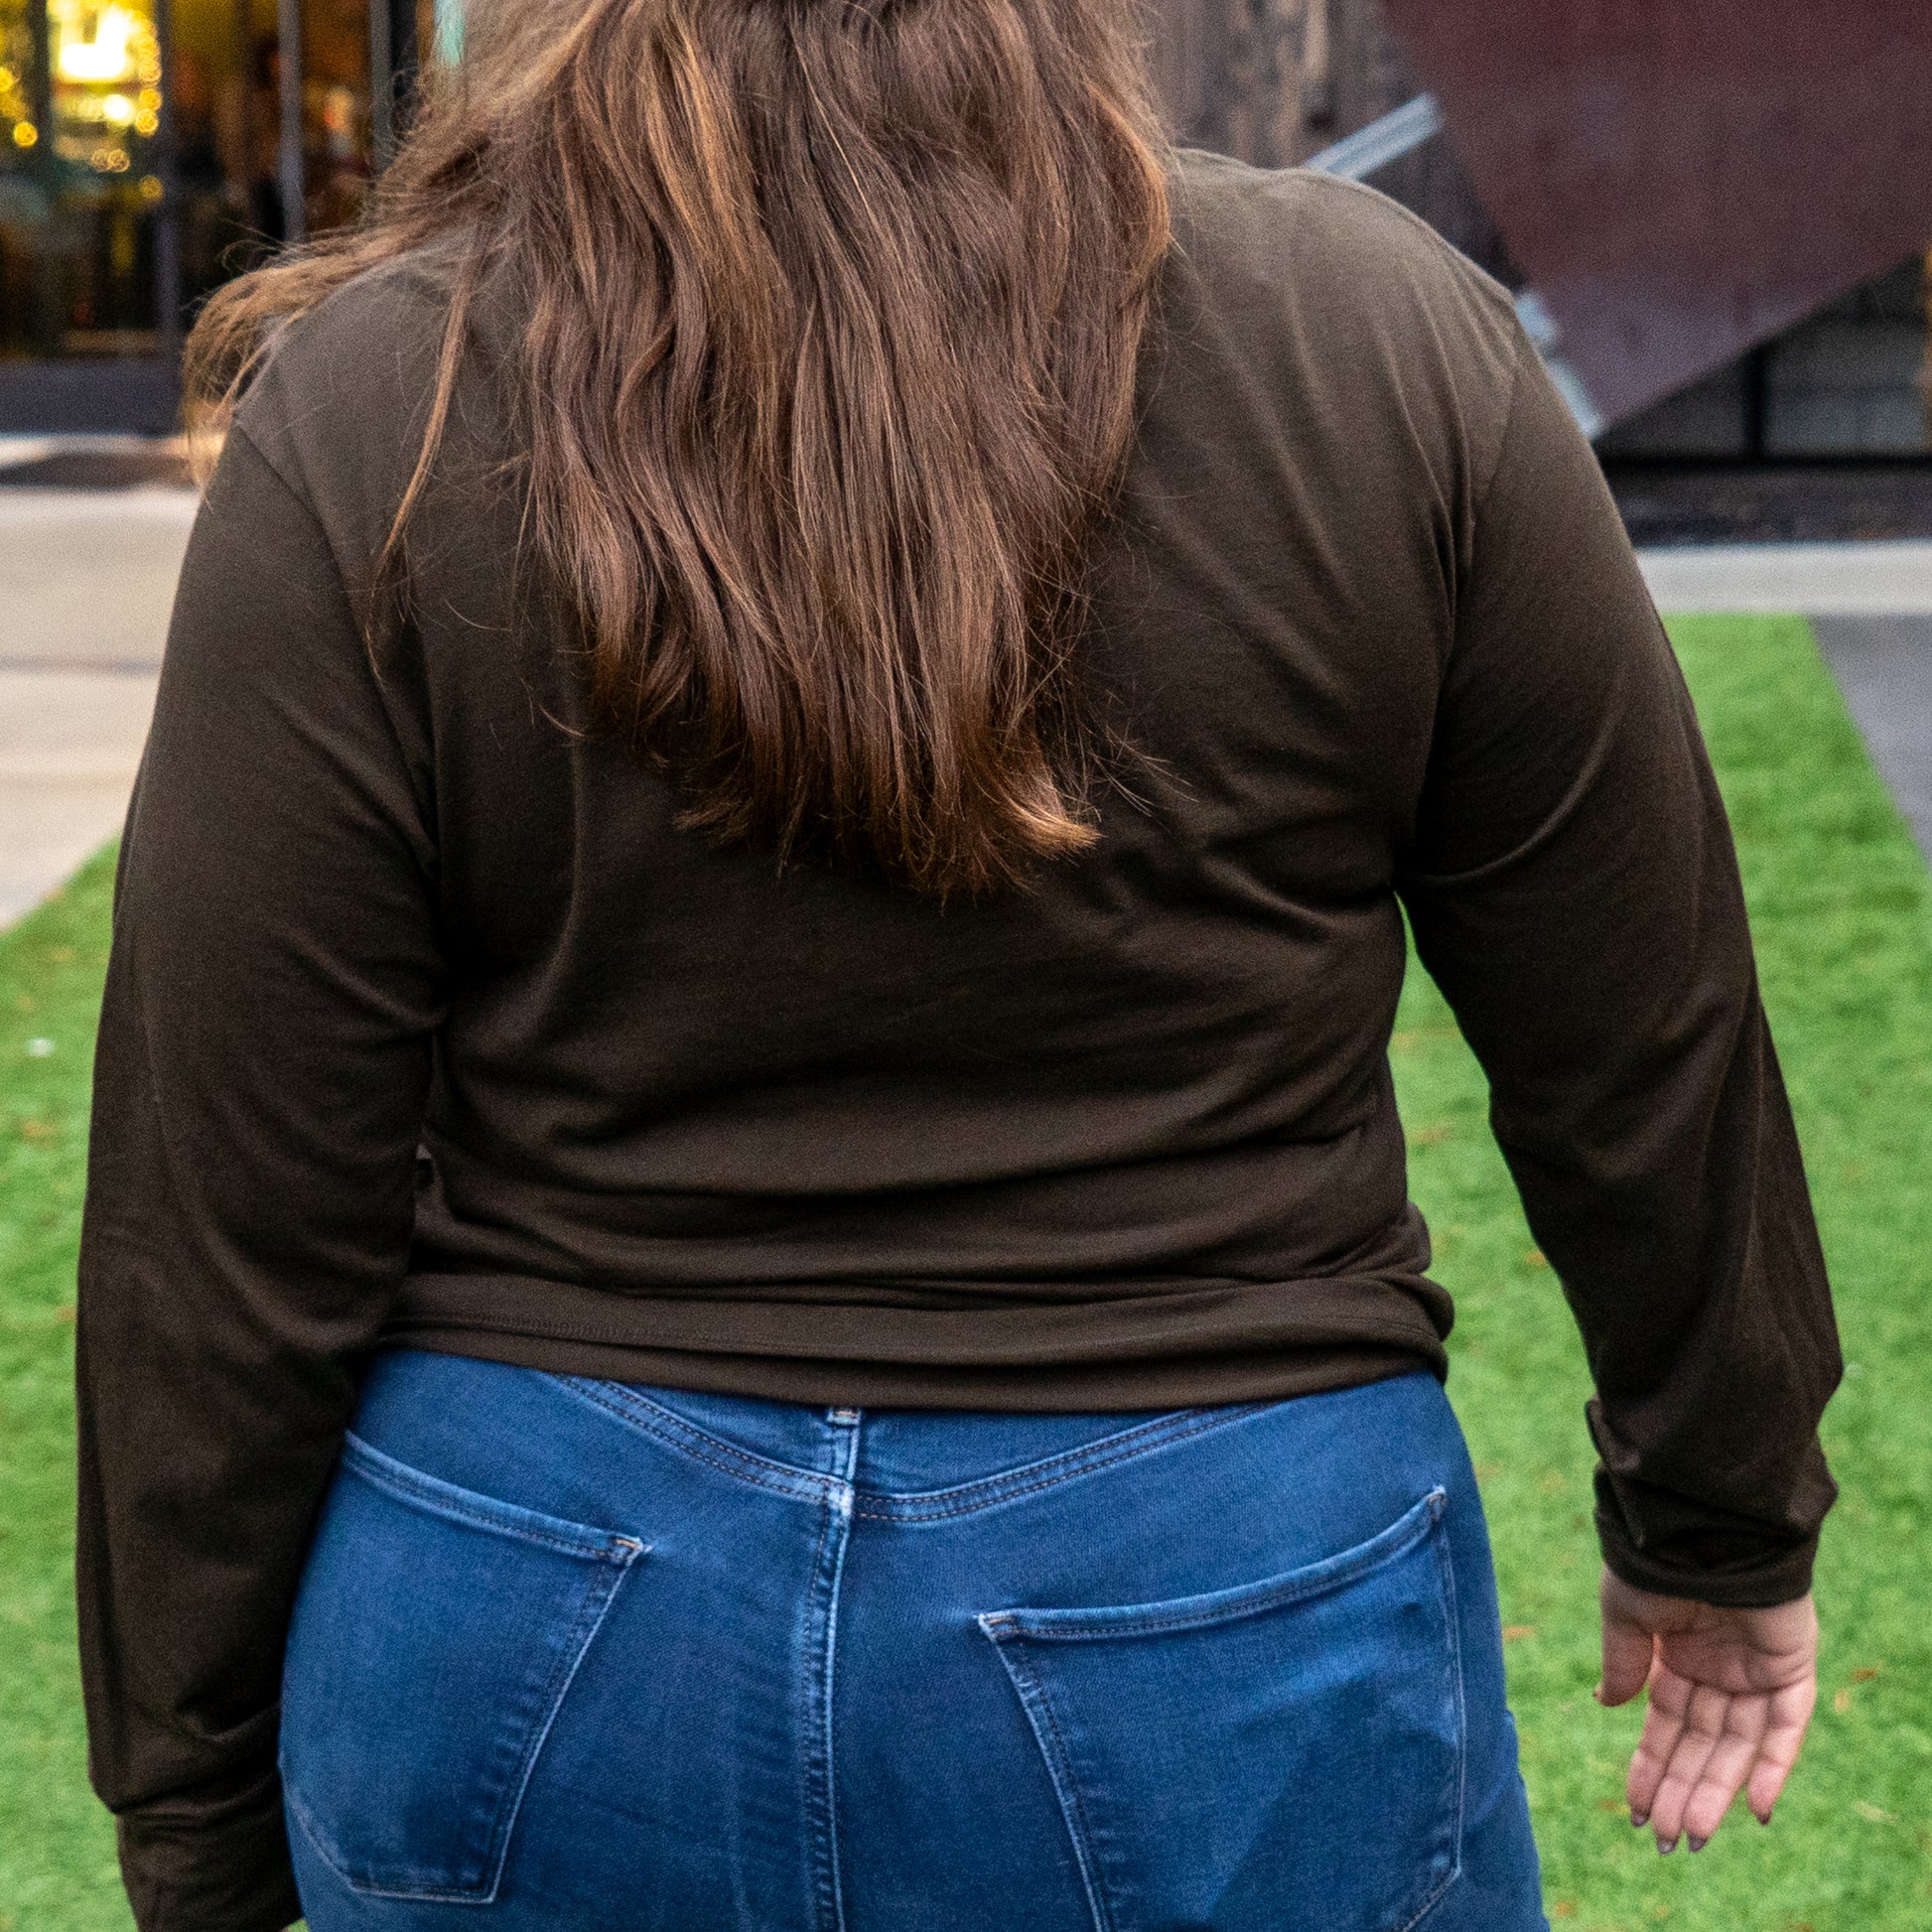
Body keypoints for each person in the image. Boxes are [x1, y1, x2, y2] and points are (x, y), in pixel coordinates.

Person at [73, 2, 1840, 1929]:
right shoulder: (1377, 337)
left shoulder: (379, 403)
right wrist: (1718, 1513)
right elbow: (1643, 1039)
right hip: (1216, 1619)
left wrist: (193, 1823)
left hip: (534, 1624)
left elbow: (215, 1223)